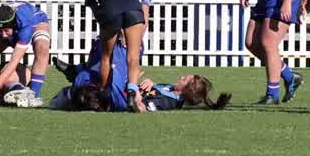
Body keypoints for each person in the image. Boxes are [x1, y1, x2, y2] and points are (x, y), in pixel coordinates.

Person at [50, 37, 229, 112]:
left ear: (188, 90)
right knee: (115, 49)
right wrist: (145, 81)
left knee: (117, 59)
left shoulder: (169, 101)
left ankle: (76, 72)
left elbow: (141, 107)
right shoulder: (168, 89)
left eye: (186, 79)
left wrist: (133, 85)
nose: (182, 76)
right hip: (123, 91)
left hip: (123, 100)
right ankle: (77, 73)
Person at [79, 0, 146, 111]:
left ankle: (103, 93)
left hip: (110, 10)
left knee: (106, 57)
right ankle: (131, 91)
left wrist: (103, 21)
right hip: (132, 7)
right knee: (133, 56)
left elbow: (93, 4)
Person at [0, 2, 52, 107]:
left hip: (36, 23)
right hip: (12, 26)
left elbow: (14, 61)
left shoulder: (25, 24)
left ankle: (33, 95)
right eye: (0, 30)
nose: (3, 35)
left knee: (42, 47)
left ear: (14, 26)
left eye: (6, 31)